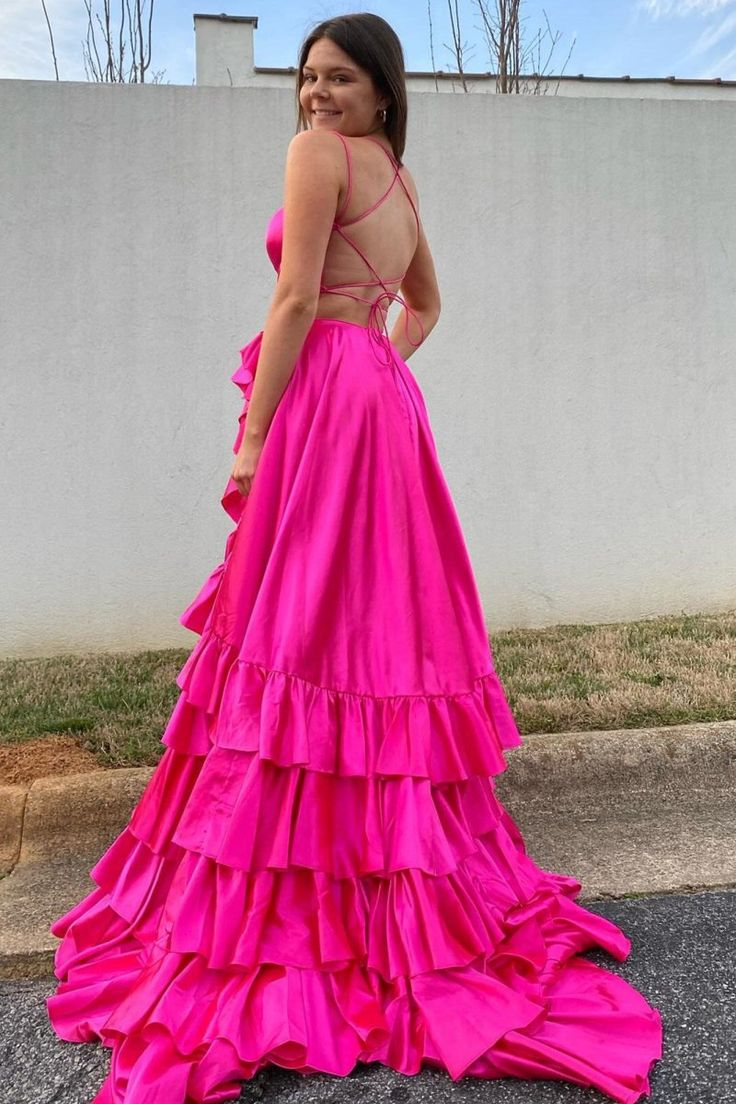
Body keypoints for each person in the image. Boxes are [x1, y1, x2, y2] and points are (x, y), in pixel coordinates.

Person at [46, 12, 663, 1104]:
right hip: (380, 405)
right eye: (307, 77)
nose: (315, 94)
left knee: (297, 626)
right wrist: (373, 365)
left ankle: (290, 887)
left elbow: (293, 298)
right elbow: (424, 306)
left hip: (327, 407)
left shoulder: (316, 155)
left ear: (382, 90)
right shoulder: (401, 179)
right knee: (370, 631)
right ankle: (372, 870)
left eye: (338, 78)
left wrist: (254, 436)